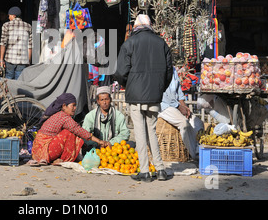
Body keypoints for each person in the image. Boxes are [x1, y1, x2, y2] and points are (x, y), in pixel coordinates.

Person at [114, 14, 173, 182]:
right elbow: (169, 72)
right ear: (150, 25)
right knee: (152, 132)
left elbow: (120, 72)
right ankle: (161, 170)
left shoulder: (129, 43)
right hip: (154, 96)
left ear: (136, 26)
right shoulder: (161, 43)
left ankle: (145, 171)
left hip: (135, 97)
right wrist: (160, 88)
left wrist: (129, 84)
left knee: (139, 133)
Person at [30, 93, 104, 166]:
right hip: (44, 152)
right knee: (70, 133)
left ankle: (58, 158)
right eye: (73, 105)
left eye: (75, 105)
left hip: (37, 153)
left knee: (71, 131)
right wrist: (99, 141)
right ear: (64, 106)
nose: (75, 108)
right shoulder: (63, 117)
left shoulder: (58, 114)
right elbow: (79, 130)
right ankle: (65, 159)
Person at [158, 67, 204, 160]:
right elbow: (163, 96)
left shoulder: (173, 69)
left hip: (176, 105)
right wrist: (179, 107)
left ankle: (198, 150)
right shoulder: (157, 69)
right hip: (163, 106)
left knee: (198, 123)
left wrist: (183, 106)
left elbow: (178, 91)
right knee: (184, 123)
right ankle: (193, 155)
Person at [82, 86, 130, 150]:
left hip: (113, 147)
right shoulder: (90, 116)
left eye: (106, 99)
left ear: (110, 100)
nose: (104, 102)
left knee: (131, 144)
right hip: (96, 147)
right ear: (98, 101)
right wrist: (98, 143)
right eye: (102, 100)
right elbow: (84, 134)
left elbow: (125, 133)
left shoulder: (118, 115)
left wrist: (111, 142)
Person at [0, 6, 32, 80]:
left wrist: (1, 60)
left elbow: (3, 43)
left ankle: (9, 91)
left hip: (10, 59)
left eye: (9, 15)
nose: (8, 17)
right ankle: (18, 92)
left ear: (13, 16)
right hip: (23, 60)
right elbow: (29, 46)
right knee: (19, 81)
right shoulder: (28, 26)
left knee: (9, 80)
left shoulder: (6, 25)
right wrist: (28, 61)